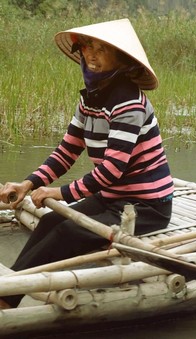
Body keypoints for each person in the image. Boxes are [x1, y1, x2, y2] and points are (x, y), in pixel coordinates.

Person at [0, 19, 174, 309]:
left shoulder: (128, 102)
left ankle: (6, 298)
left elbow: (111, 170)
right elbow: (67, 151)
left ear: (121, 58)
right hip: (111, 197)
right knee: (53, 221)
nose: (92, 55)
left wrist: (59, 193)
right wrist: (29, 184)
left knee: (69, 232)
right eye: (88, 47)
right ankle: (10, 291)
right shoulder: (91, 99)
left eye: (102, 49)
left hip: (146, 206)